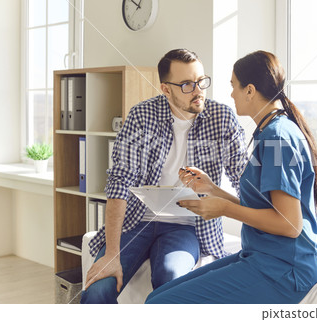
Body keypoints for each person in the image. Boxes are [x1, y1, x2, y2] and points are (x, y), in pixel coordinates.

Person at [145, 50, 317, 304]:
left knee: (159, 305)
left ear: (250, 90)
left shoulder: (278, 137)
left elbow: (289, 224)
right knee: (157, 297)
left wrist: (224, 209)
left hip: (286, 271)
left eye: (234, 86)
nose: (231, 94)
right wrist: (213, 190)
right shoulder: (269, 132)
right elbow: (266, 210)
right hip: (263, 257)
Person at [80, 49, 247, 304]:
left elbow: (243, 180)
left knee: (170, 281)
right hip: (137, 221)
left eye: (201, 81)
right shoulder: (141, 116)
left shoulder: (222, 118)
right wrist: (112, 253)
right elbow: (119, 181)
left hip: (187, 226)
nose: (198, 90)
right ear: (166, 89)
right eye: (187, 85)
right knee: (97, 290)